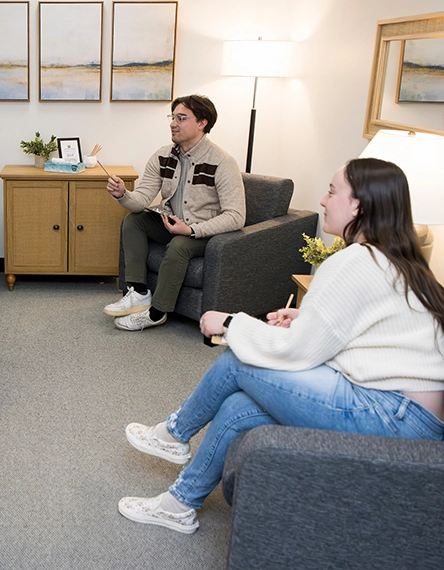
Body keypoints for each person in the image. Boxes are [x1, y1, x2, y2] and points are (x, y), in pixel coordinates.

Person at [118, 157, 444, 533]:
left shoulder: (354, 261)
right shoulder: (397, 259)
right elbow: (372, 330)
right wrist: (306, 318)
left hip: (392, 418)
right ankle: (179, 504)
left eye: (332, 191)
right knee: (240, 405)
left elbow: (298, 353)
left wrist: (229, 322)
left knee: (238, 360)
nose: (323, 200)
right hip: (408, 416)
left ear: (358, 205)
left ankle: (174, 433)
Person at [105, 94, 246, 331]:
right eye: (173, 117)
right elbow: (141, 200)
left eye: (181, 118)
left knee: (180, 245)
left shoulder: (222, 162)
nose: (173, 123)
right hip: (171, 223)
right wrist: (123, 195)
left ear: (202, 123)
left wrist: (191, 230)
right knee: (134, 220)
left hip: (205, 233)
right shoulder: (163, 155)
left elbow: (236, 215)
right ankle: (138, 292)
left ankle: (157, 312)